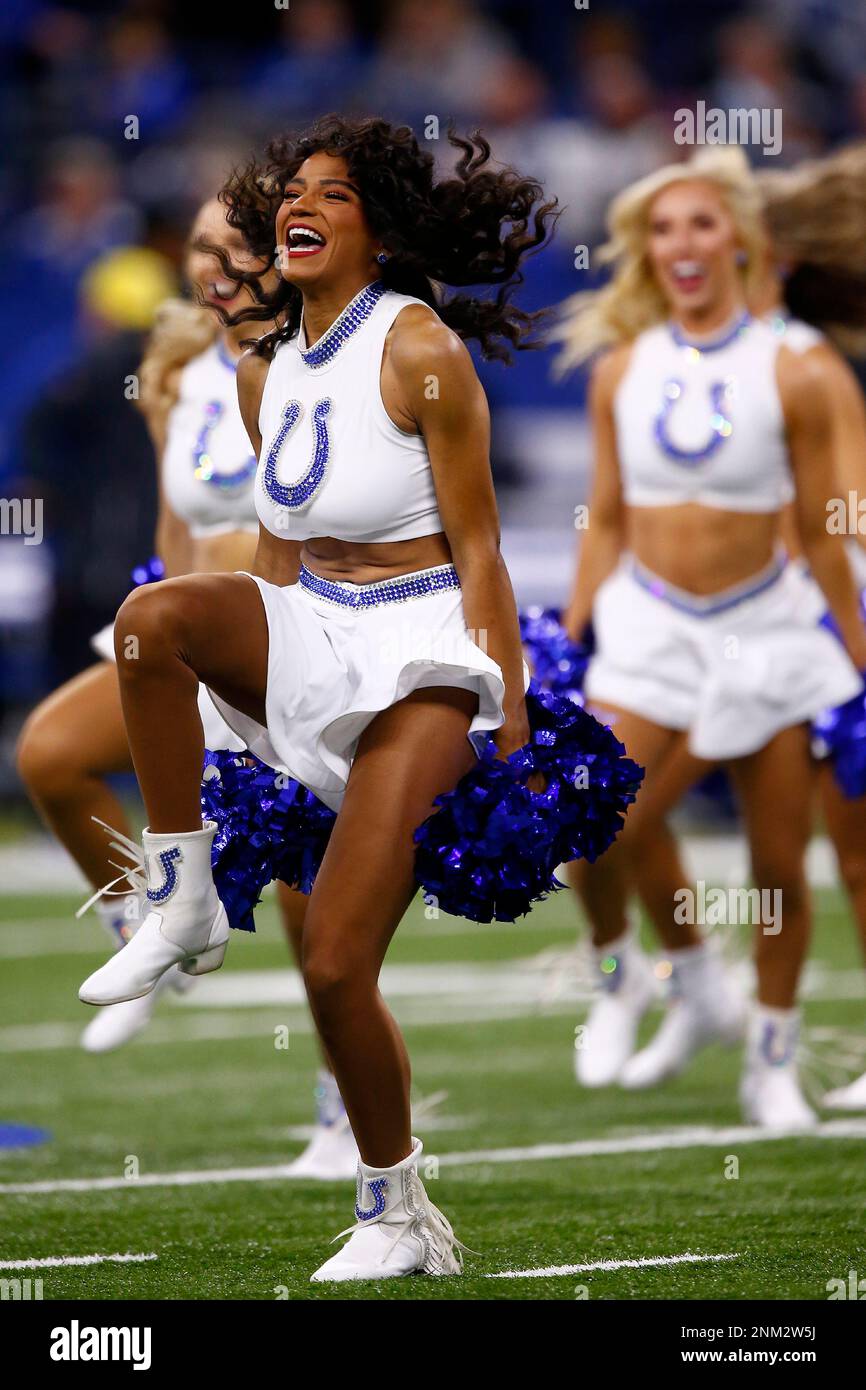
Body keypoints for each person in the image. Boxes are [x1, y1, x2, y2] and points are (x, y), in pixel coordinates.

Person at [77, 115, 561, 1281]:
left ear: (379, 231)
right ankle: (181, 892)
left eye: (334, 197)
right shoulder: (265, 373)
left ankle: (397, 1211)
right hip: (315, 625)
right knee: (153, 620)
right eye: (292, 191)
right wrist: (256, 720)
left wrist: (508, 715)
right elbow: (277, 568)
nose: (301, 207)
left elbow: (483, 547)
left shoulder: (418, 346)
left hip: (423, 649)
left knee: (337, 965)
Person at [555, 147, 866, 1129]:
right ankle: (641, 978)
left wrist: (856, 654)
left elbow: (825, 529)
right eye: (659, 228)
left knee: (776, 864)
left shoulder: (796, 368)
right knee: (587, 821)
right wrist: (569, 636)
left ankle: (769, 1057)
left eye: (698, 224)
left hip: (764, 626)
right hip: (649, 623)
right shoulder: (620, 369)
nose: (679, 245)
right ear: (643, 251)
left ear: (738, 237)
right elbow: (602, 516)